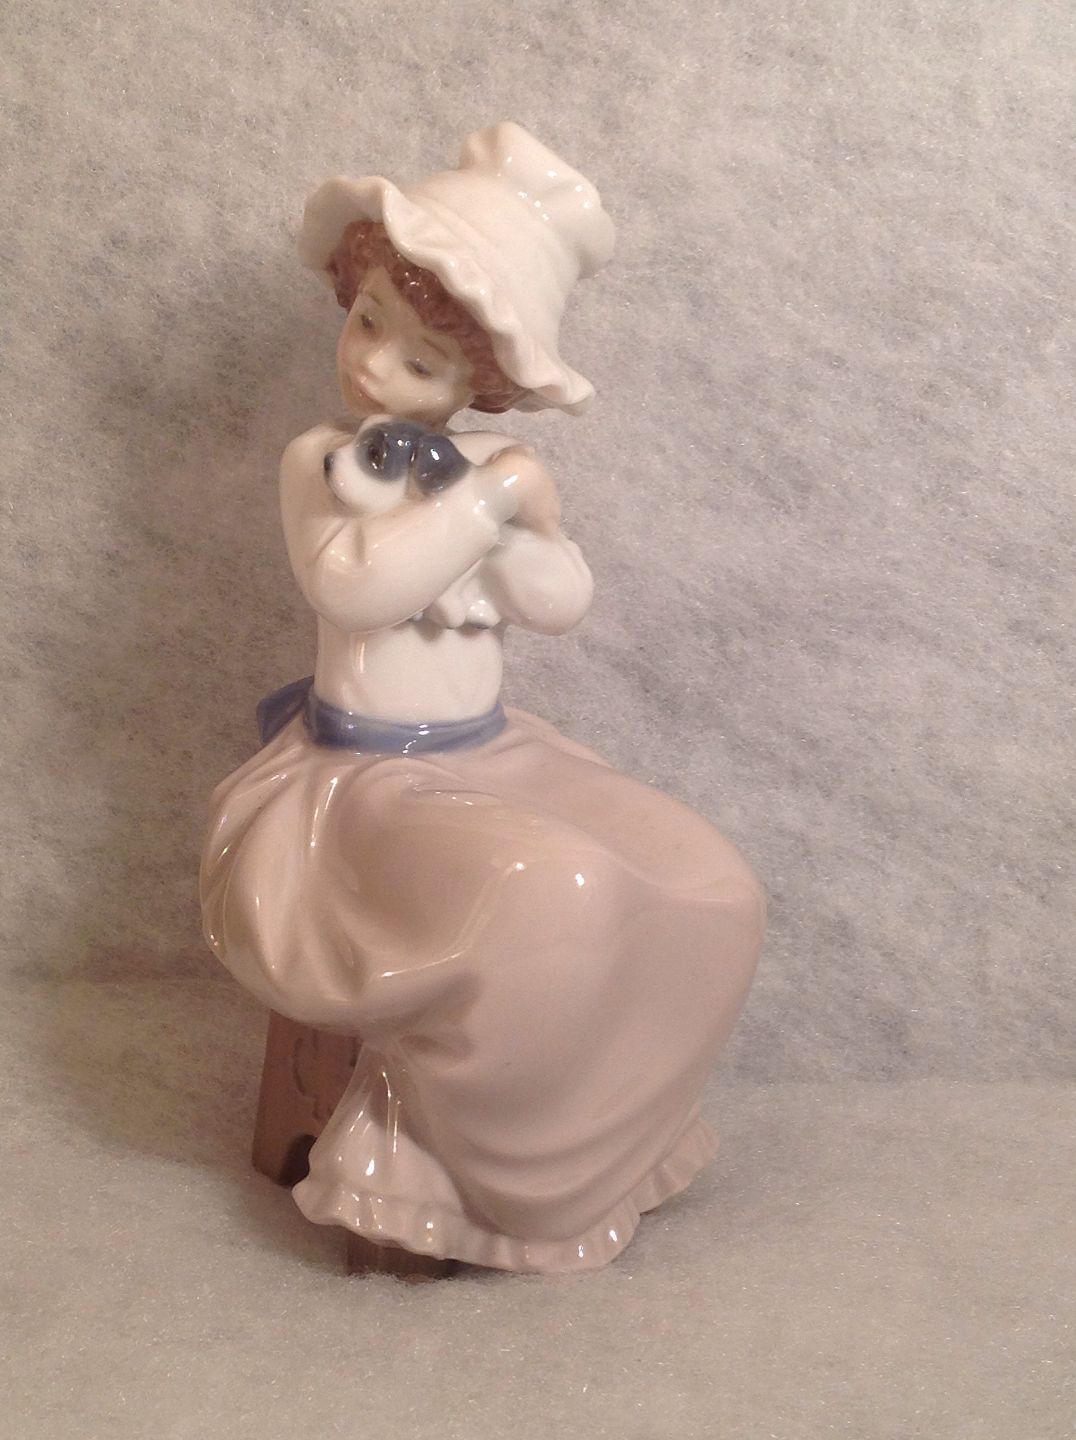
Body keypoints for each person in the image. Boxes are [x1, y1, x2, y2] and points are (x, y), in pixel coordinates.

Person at [200, 123, 764, 1273]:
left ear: (479, 387)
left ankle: (608, 1144)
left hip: (488, 752)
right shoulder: (320, 462)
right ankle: (474, 1171)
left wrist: (531, 520)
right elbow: (355, 587)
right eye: (368, 323)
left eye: (420, 364)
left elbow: (557, 602)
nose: (374, 368)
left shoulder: (485, 480)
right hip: (355, 780)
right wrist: (483, 504)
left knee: (712, 880)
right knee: (553, 892)